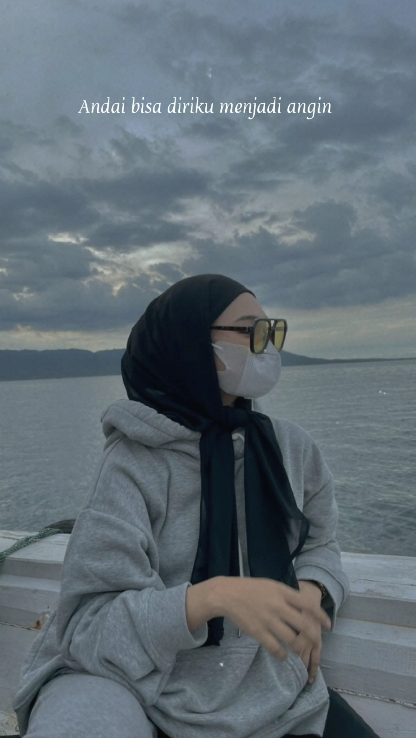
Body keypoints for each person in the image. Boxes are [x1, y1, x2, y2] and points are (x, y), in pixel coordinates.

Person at [13, 274, 380, 738]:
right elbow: (88, 626)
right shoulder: (134, 463)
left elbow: (321, 541)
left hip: (273, 693)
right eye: (253, 331)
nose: (269, 346)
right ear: (190, 343)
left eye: (274, 331)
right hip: (145, 688)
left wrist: (310, 593)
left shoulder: (290, 448)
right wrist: (210, 598)